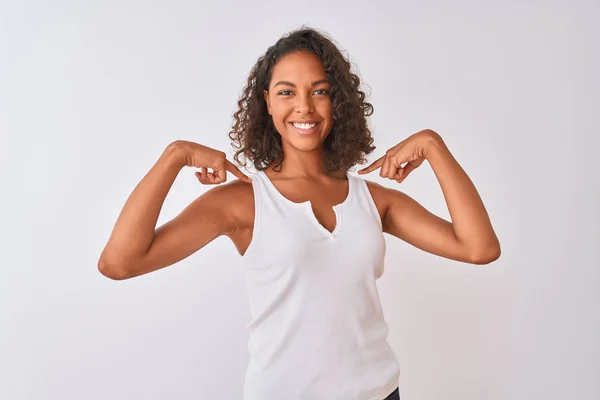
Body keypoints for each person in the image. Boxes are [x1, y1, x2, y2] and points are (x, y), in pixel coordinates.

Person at [98, 26, 500, 400]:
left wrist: (433, 146)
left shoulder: (372, 200)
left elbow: (479, 248)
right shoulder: (243, 202)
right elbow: (120, 262)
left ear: (338, 103)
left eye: (320, 91)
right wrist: (175, 156)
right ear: (267, 104)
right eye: (287, 92)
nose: (304, 107)